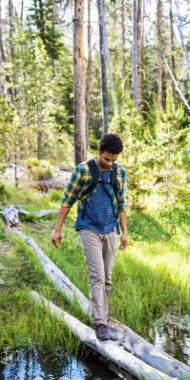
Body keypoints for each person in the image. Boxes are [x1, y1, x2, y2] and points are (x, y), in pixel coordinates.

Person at [51, 134, 128, 341]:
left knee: (108, 278)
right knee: (97, 275)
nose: (110, 163)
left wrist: (124, 232)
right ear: (99, 152)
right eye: (106, 159)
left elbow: (121, 203)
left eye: (113, 160)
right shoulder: (83, 171)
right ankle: (100, 322)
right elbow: (67, 200)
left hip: (110, 229)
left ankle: (102, 312)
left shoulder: (119, 172)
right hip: (89, 229)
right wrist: (57, 230)